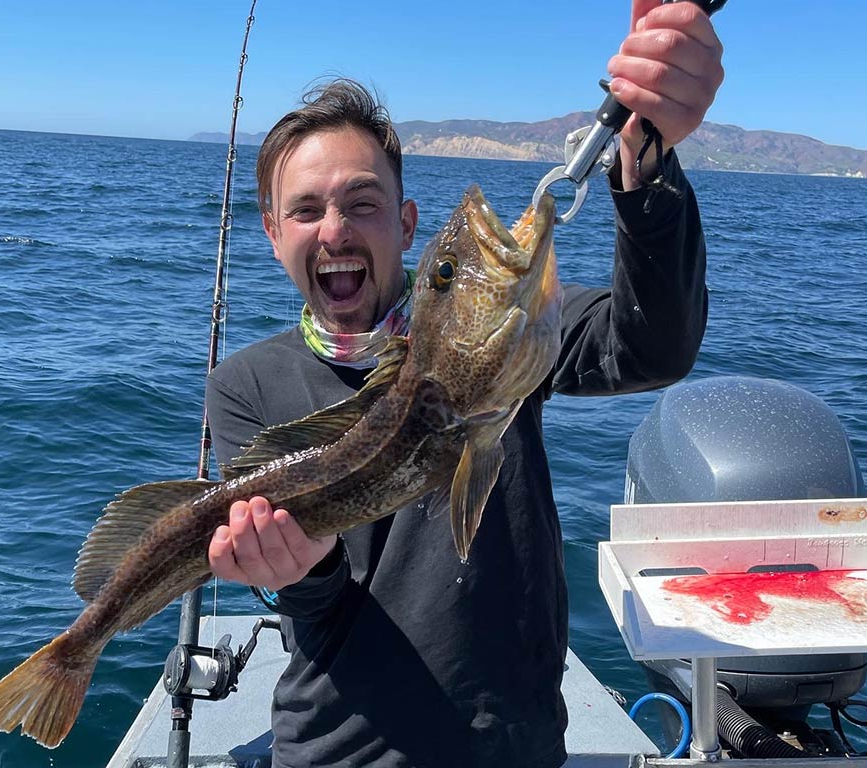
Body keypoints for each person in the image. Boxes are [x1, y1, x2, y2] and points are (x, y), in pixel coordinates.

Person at [204, 2, 724, 766]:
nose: (336, 230)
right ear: (274, 233)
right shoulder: (246, 385)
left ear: (406, 225)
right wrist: (297, 568)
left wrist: (643, 155)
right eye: (306, 210)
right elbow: (315, 603)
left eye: (362, 203)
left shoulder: (511, 336)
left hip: (514, 740)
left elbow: (652, 345)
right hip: (341, 749)